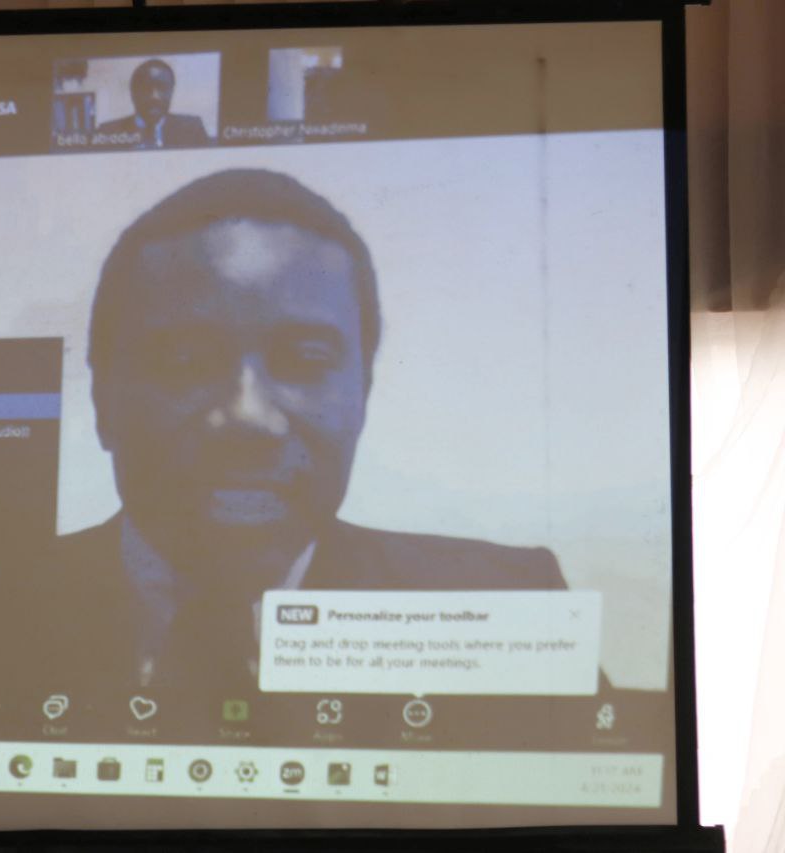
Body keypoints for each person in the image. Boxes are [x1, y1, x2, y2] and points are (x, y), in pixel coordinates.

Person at [38, 169, 568, 700]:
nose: (248, 416)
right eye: (185, 361)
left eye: (306, 361)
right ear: (102, 398)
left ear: (363, 393)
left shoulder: (507, 605)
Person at [96, 59, 211, 149]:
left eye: (162, 88)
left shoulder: (192, 129)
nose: (154, 96)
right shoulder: (108, 132)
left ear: (171, 91)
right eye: (146, 88)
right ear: (133, 92)